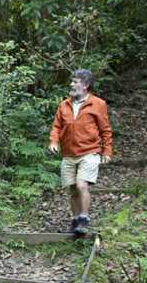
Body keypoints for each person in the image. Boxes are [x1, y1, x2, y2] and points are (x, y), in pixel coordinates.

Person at [48, 69, 113, 235]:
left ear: (86, 85)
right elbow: (56, 127)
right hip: (68, 153)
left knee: (81, 185)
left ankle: (84, 218)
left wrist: (107, 151)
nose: (72, 85)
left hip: (89, 151)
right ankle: (76, 219)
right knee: (72, 189)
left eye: (75, 82)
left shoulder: (98, 104)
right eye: (72, 82)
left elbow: (105, 129)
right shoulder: (64, 105)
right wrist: (54, 141)